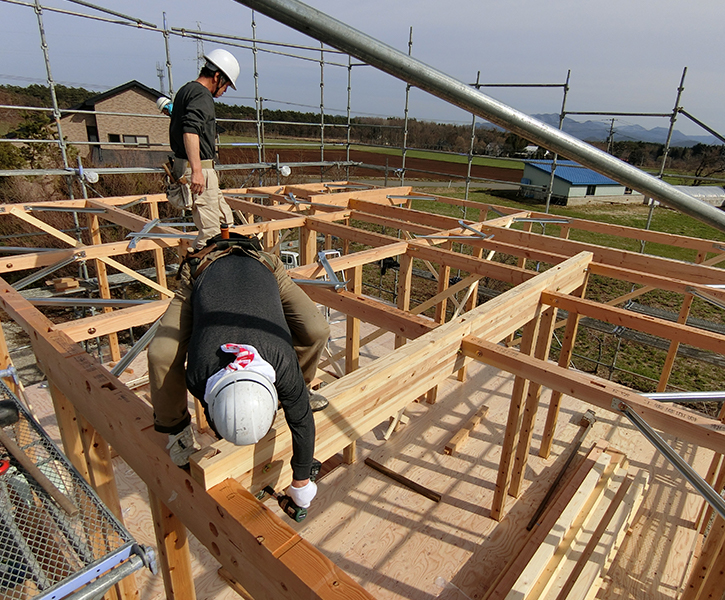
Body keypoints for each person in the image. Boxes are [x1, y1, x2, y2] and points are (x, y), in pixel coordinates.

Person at [147, 234, 330, 508]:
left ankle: (297, 392)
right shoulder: (199, 373)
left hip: (262, 266)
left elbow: (303, 422)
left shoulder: (281, 359)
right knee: (160, 354)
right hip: (200, 274)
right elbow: (218, 416)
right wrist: (300, 491)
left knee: (317, 330)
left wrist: (302, 482)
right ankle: (177, 431)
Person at [168, 48, 239, 249]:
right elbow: (190, 131)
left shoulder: (186, 90)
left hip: (196, 166)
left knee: (225, 220)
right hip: (199, 168)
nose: (223, 92)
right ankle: (194, 272)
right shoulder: (202, 94)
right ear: (217, 77)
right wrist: (197, 171)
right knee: (210, 234)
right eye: (225, 86)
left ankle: (222, 264)